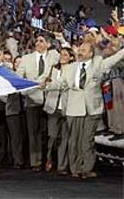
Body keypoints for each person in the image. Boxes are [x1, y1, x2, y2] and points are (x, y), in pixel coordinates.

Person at [55, 42, 124, 178]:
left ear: (91, 54)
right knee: (74, 140)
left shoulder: (98, 64)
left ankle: (86, 169)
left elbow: (114, 59)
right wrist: (42, 85)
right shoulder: (70, 68)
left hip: (92, 109)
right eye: (79, 49)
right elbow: (59, 83)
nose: (80, 52)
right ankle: (75, 169)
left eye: (84, 50)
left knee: (87, 140)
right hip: (74, 109)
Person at [16, 33, 59, 172]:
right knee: (33, 132)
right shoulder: (26, 58)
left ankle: (49, 160)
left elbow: (69, 53)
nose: (38, 43)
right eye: (36, 41)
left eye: (41, 41)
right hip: (32, 99)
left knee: (49, 133)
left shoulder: (54, 55)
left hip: (50, 100)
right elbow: (18, 78)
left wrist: (62, 39)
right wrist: (31, 87)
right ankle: (35, 162)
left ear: (48, 44)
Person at [42, 47, 75, 175]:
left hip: (67, 108)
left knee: (65, 138)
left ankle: (62, 166)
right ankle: (50, 158)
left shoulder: (73, 70)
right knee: (53, 137)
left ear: (71, 57)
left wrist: (52, 85)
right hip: (53, 106)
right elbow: (47, 82)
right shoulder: (53, 69)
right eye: (61, 54)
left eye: (65, 55)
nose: (62, 57)